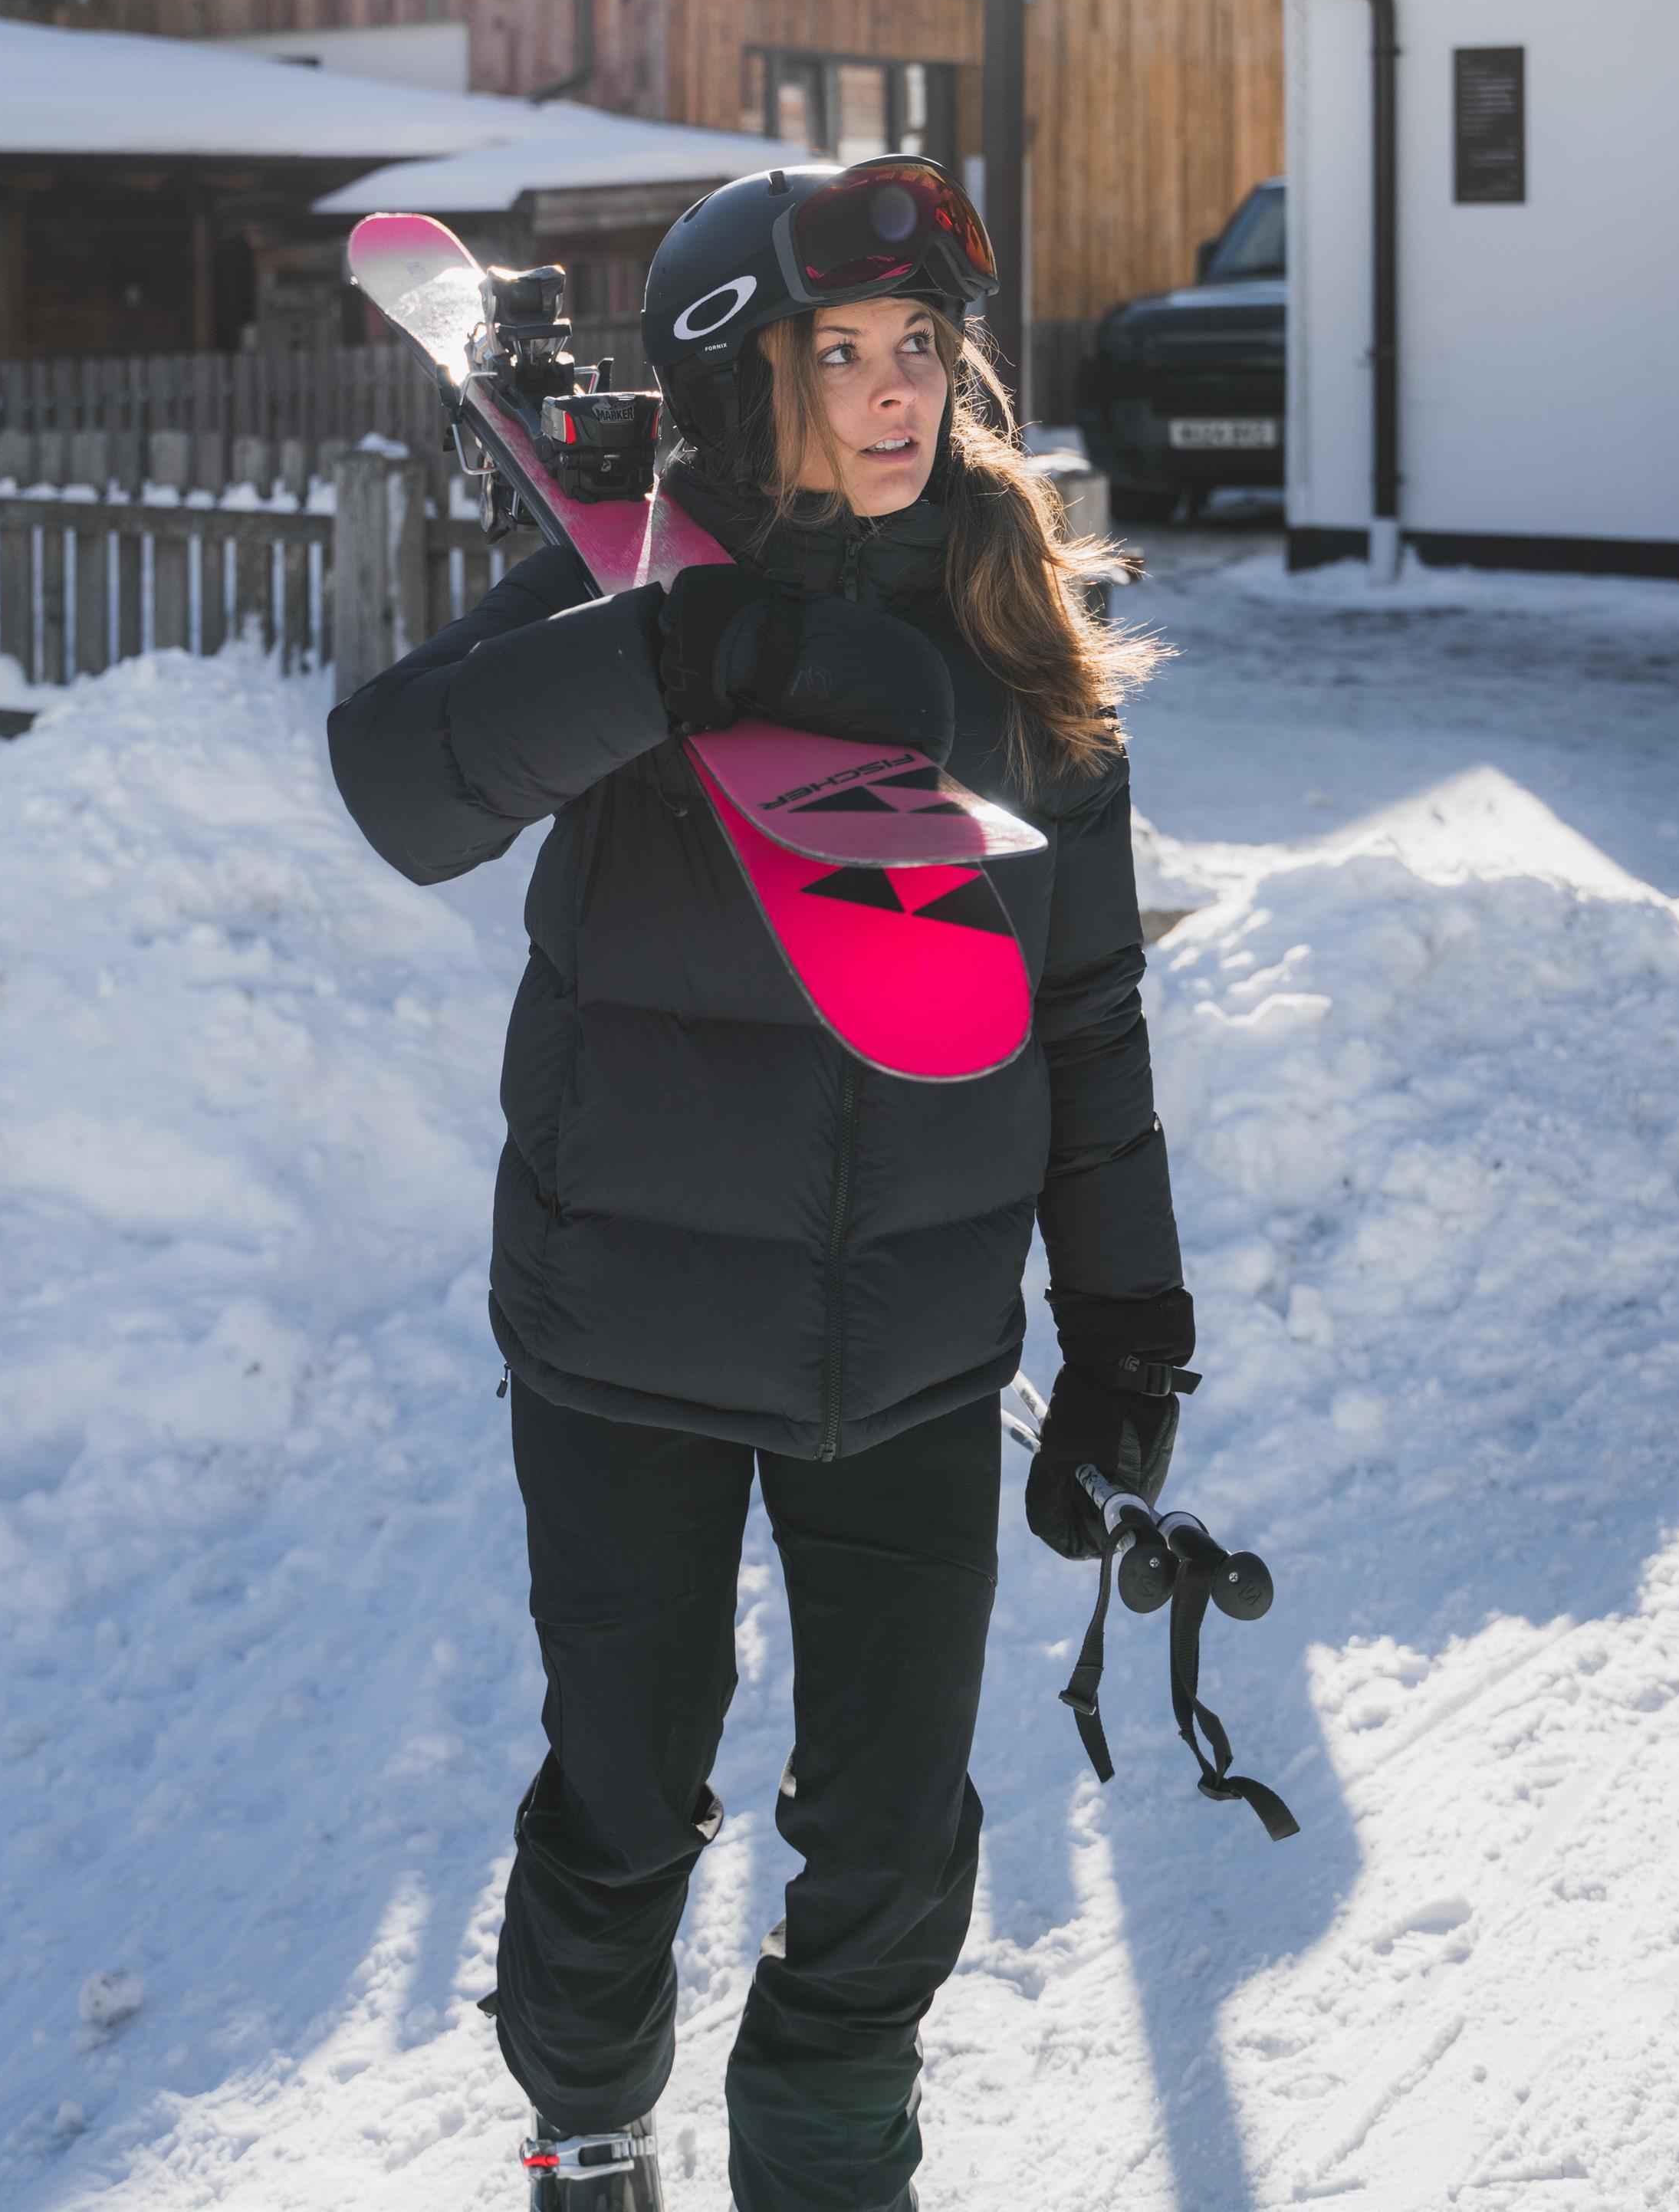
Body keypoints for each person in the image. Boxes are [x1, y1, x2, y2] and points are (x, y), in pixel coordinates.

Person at [327, 158, 1195, 2212]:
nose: (898, 393)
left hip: (913, 1352)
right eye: (843, 354)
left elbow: (1084, 1018)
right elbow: (401, 785)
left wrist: (1125, 1331)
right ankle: (591, 2131)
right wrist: (667, 655)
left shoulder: (1018, 633)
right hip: (623, 1335)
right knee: (623, 1803)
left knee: (892, 1837)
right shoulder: (635, 580)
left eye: (924, 350)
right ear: (747, 384)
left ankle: (828, 2164)